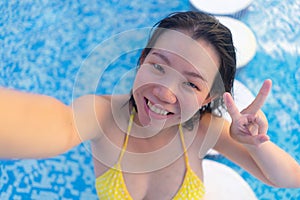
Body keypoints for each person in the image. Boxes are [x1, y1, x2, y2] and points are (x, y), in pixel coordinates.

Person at [0, 11, 299, 199]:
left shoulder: (202, 130)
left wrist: (258, 145)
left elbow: (286, 179)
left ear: (208, 97)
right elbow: (56, 124)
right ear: (142, 60)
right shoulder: (102, 116)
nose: (165, 93)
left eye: (191, 83)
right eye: (158, 66)